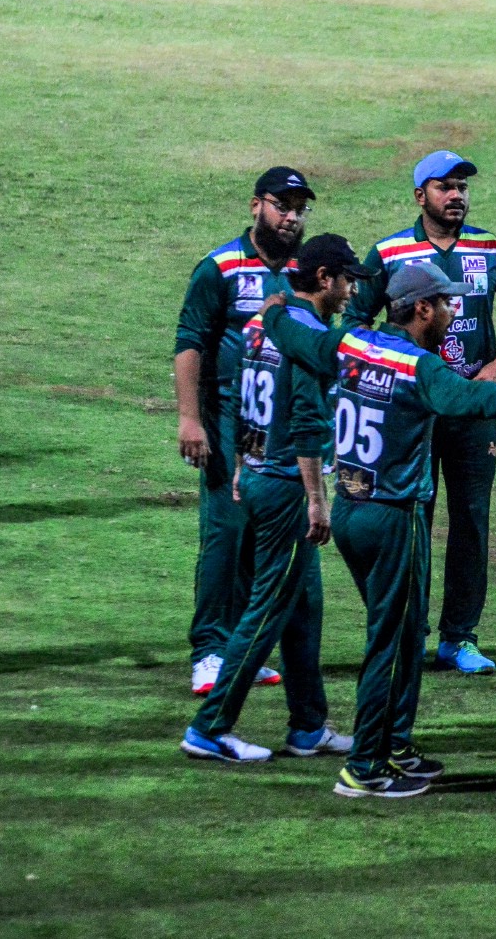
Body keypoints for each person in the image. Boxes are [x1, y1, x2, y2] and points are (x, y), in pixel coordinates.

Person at [263, 263, 496, 797]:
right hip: (394, 517)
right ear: (421, 309)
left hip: (349, 509)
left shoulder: (349, 343)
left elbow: (297, 339)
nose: (452, 311)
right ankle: (364, 767)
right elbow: (476, 400)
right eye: (445, 303)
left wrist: (276, 310)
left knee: (402, 628)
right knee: (391, 643)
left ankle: (395, 746)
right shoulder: (421, 368)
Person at [345, 150, 496, 676]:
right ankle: (410, 630)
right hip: (412, 411)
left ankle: (459, 637)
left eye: (462, 187)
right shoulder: (389, 253)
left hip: (472, 410)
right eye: (444, 187)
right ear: (420, 196)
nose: (456, 196)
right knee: (413, 517)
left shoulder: (491, 248)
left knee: (472, 521)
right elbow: (355, 322)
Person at [180, 234, 369, 763]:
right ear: (325, 279)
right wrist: (317, 500)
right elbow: (308, 423)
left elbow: (241, 398)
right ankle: (209, 728)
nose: (353, 291)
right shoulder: (306, 336)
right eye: (348, 281)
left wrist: (244, 464)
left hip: (261, 474)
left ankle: (308, 726)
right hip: (288, 488)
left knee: (304, 606)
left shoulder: (262, 324)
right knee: (265, 610)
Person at [174, 167, 312, 695]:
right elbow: (189, 342)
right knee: (226, 530)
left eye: (299, 208)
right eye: (282, 205)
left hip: (281, 425)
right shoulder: (221, 267)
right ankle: (209, 650)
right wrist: (190, 418)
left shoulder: (304, 271)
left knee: (262, 534)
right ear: (256, 205)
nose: (291, 217)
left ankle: (241, 647)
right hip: (228, 419)